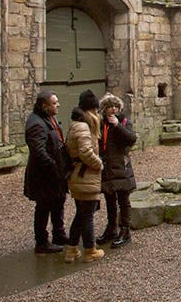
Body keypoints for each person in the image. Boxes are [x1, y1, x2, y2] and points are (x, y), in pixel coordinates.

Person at [23, 90, 70, 253]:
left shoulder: (50, 118)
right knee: (44, 206)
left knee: (58, 202)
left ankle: (59, 234)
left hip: (56, 173)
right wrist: (54, 167)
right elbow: (39, 152)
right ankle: (41, 241)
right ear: (44, 105)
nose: (58, 105)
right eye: (54, 103)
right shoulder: (35, 123)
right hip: (45, 175)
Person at [64, 90, 105, 263]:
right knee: (87, 215)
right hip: (84, 175)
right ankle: (90, 250)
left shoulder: (78, 124)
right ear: (90, 110)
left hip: (80, 175)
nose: (97, 114)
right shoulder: (83, 126)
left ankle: (72, 249)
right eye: (95, 110)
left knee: (81, 214)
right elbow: (85, 152)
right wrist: (99, 163)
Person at [97, 93, 137, 249]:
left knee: (123, 200)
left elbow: (131, 139)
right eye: (109, 107)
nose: (113, 109)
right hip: (107, 167)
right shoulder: (101, 124)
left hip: (121, 167)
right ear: (104, 109)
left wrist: (118, 125)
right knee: (109, 200)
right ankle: (111, 228)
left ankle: (125, 230)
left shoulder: (124, 122)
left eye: (115, 106)